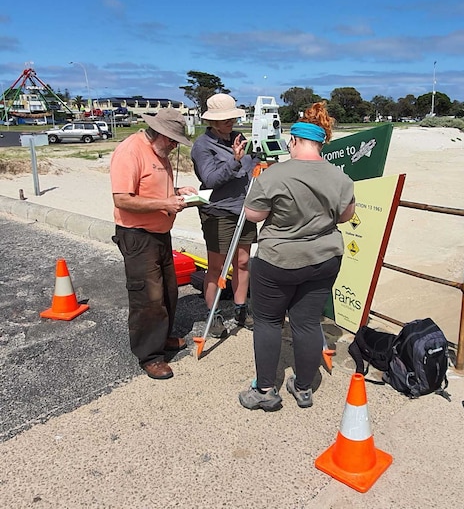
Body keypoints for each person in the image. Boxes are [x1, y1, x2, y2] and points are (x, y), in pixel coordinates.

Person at [238, 101, 355, 411]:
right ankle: (303, 387)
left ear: (294, 140)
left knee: (268, 322)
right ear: (320, 142)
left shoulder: (275, 175)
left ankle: (265, 390)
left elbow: (253, 214)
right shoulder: (339, 177)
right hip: (324, 259)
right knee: (306, 322)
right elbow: (345, 216)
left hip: (279, 260)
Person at [110, 107, 197, 380]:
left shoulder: (158, 151)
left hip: (159, 233)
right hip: (137, 235)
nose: (173, 146)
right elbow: (122, 199)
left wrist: (176, 192)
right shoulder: (130, 151)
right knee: (147, 297)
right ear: (159, 133)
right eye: (172, 140)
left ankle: (162, 338)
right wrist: (165, 203)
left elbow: (152, 188)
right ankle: (150, 356)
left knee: (169, 290)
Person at [191, 93, 258, 336]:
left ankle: (241, 308)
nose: (229, 122)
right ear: (212, 121)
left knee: (242, 262)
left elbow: (253, 168)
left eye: (232, 117)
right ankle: (213, 313)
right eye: (224, 119)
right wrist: (235, 161)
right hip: (219, 211)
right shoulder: (202, 145)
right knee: (217, 267)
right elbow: (209, 179)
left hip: (244, 209)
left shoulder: (240, 138)